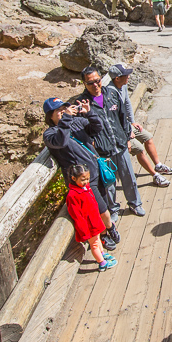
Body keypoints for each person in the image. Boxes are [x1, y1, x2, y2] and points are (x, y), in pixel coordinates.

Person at [43, 97, 118, 251]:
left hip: (95, 171)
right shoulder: (50, 133)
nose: (63, 112)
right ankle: (106, 232)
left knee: (102, 205)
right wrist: (67, 119)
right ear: (50, 115)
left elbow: (97, 128)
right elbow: (61, 142)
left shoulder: (75, 122)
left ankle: (107, 230)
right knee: (100, 209)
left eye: (64, 108)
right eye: (58, 111)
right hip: (81, 180)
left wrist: (89, 113)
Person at [76, 66, 145, 222]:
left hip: (120, 145)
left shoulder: (112, 93)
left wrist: (128, 138)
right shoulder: (82, 103)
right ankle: (113, 209)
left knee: (129, 177)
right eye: (90, 83)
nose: (95, 85)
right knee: (108, 183)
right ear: (84, 84)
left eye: (98, 81)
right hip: (102, 151)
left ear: (101, 79)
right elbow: (82, 129)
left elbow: (122, 117)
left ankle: (135, 203)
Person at [107, 63, 172, 187]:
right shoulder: (110, 95)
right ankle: (155, 175)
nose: (128, 76)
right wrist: (128, 133)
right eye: (125, 75)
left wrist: (132, 122)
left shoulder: (123, 86)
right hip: (120, 132)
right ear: (117, 78)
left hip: (127, 125)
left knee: (148, 137)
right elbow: (114, 119)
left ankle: (158, 165)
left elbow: (127, 103)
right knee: (139, 149)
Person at [66, 164, 117, 271]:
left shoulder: (86, 187)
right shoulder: (73, 195)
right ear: (74, 178)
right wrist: (84, 231)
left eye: (88, 179)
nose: (86, 182)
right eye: (83, 179)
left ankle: (102, 253)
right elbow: (76, 215)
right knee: (94, 244)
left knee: (98, 239)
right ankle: (102, 263)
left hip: (94, 220)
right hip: (88, 225)